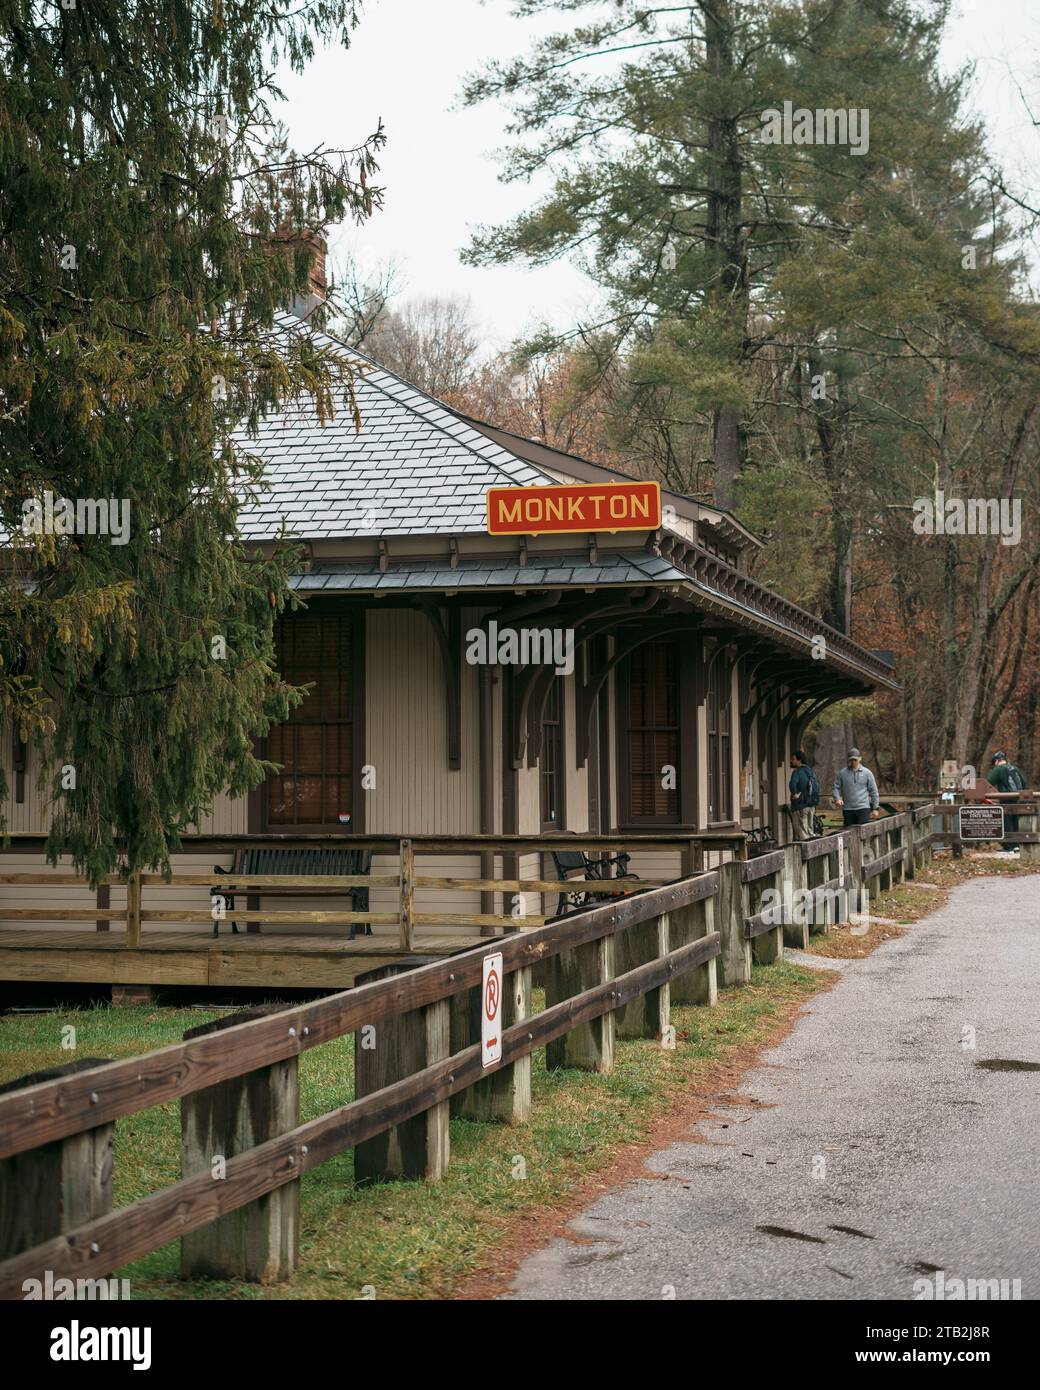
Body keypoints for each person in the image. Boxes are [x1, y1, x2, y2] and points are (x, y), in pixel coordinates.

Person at [987, 751, 1027, 852]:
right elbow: (1024, 783)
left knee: (1006, 821)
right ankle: (1017, 845)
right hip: (1019, 798)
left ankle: (1009, 846)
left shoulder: (998, 769)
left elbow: (989, 782)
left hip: (1006, 798)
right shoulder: (1014, 768)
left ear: (996, 761)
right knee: (1015, 821)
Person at [833, 747, 879, 826]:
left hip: (863, 808)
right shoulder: (842, 773)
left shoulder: (867, 773)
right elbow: (836, 787)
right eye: (851, 760)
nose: (853, 762)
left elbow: (874, 791)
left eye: (855, 760)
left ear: (860, 759)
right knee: (848, 834)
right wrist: (837, 798)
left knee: (863, 834)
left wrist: (875, 808)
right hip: (848, 809)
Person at [789, 750, 819, 840]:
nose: (792, 761)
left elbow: (792, 784)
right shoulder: (810, 771)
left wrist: (794, 794)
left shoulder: (797, 772)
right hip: (811, 805)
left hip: (800, 805)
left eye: (793, 759)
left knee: (802, 833)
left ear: (799, 760)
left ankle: (806, 853)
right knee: (810, 831)